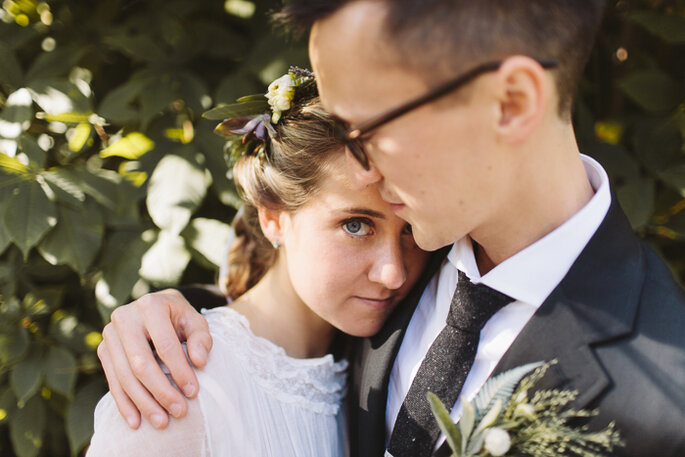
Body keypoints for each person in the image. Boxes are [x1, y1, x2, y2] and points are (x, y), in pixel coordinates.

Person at [97, 1, 685, 456]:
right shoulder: (404, 265)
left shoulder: (667, 403)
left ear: (509, 103)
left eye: (366, 128)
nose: (361, 168)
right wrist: (168, 324)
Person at [86, 70, 432, 456]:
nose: (394, 272)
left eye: (412, 230)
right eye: (356, 225)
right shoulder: (179, 393)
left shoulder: (361, 375)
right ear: (273, 218)